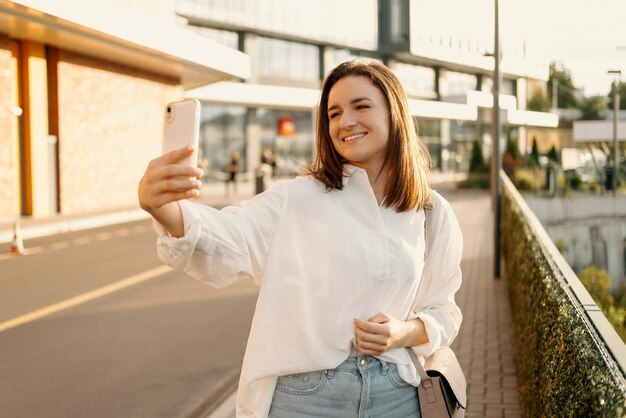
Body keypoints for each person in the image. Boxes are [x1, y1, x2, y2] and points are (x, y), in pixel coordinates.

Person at [138, 59, 463, 418]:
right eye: (334, 113)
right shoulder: (298, 198)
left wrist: (403, 332)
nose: (345, 122)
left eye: (361, 106)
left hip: (397, 397)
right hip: (307, 400)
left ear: (394, 112)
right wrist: (163, 208)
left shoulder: (432, 213)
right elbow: (227, 238)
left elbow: (444, 311)